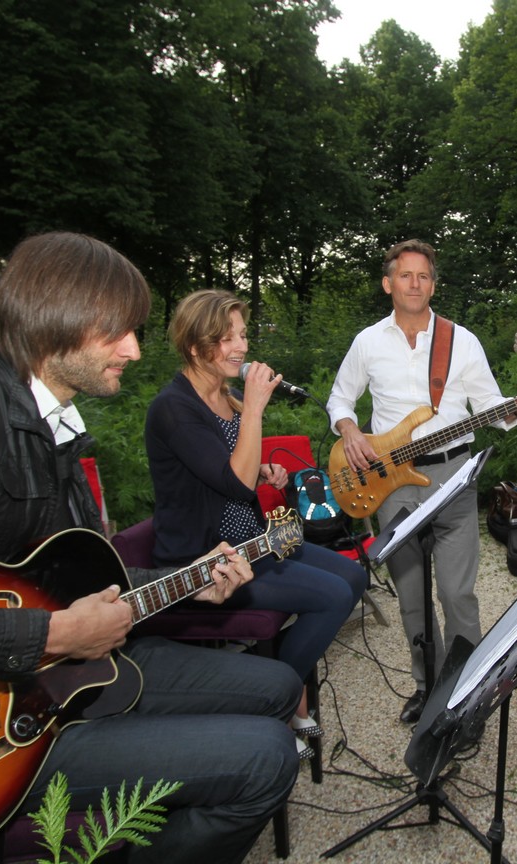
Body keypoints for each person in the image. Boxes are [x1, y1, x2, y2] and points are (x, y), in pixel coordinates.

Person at [0, 233, 301, 863]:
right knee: (266, 757)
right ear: (54, 321)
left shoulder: (56, 430)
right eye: (118, 330)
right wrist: (51, 635)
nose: (134, 349)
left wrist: (189, 579)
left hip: (67, 677)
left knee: (279, 686)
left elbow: (58, 582)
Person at [326, 239, 517, 725]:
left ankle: (466, 691)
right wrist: (349, 430)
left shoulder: (460, 340)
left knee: (457, 594)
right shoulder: (367, 342)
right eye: (405, 275)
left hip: (453, 475)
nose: (415, 284)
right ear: (388, 283)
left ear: (433, 284)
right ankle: (427, 686)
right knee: (411, 597)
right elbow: (340, 399)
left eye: (423, 276)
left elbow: (489, 405)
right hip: (390, 482)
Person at [145, 289, 367, 754]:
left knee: (353, 575)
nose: (241, 347)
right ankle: (276, 696)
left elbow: (227, 466)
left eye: (243, 335)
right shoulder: (174, 407)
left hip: (252, 542)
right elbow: (235, 483)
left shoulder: (223, 396)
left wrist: (265, 468)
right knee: (330, 597)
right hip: (208, 560)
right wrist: (254, 410)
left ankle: (273, 687)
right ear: (195, 346)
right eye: (226, 338)